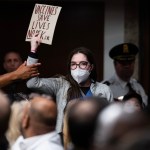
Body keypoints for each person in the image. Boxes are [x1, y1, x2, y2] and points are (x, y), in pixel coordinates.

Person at [26, 36, 113, 134]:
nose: (77, 68)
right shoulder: (61, 84)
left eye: (83, 64)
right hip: (65, 141)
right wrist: (33, 50)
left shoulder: (104, 90)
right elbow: (32, 83)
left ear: (91, 67)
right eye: (73, 64)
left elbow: (111, 122)